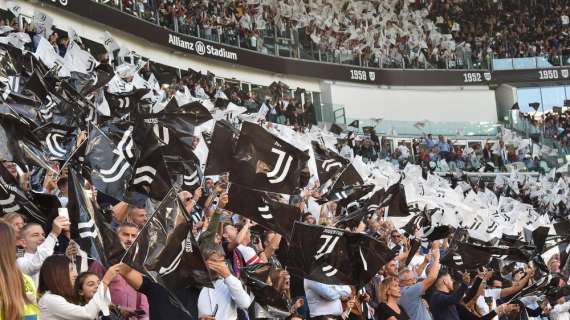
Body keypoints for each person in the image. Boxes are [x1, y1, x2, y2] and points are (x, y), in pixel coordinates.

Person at [38, 255, 121, 319]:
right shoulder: (50, 299)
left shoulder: (62, 298)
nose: (75, 274)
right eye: (71, 270)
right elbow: (87, 314)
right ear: (59, 273)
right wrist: (106, 280)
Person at [197, 248, 253, 319]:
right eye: (214, 261)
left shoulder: (229, 283)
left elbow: (245, 303)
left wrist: (227, 276)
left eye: (221, 262)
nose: (219, 266)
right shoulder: (195, 284)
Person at [0, 221, 39, 320]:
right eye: (16, 224)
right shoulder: (26, 280)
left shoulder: (24, 279)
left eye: (22, 223)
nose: (20, 226)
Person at [17, 216, 70, 286]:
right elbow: (36, 264)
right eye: (35, 235)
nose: (42, 238)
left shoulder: (52, 255)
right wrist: (53, 234)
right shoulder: (20, 261)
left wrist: (67, 257)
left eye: (43, 235)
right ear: (23, 243)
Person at [399, 243, 441, 320]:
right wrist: (437, 258)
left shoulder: (404, 287)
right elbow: (432, 277)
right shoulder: (408, 292)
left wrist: (425, 262)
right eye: (410, 280)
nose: (415, 282)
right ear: (400, 282)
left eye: (414, 279)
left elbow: (416, 274)